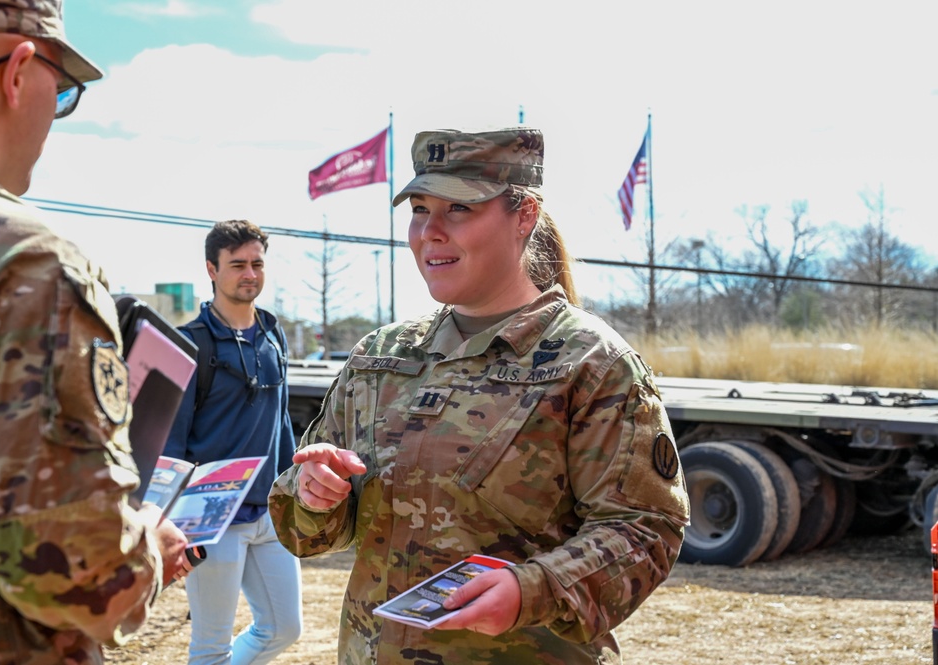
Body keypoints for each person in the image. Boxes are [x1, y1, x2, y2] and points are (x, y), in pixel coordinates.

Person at [269, 127, 691, 664]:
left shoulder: (590, 362)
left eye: (459, 210)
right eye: (420, 209)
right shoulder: (381, 357)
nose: (430, 232)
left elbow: (646, 529)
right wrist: (311, 493)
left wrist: (531, 590)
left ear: (524, 216)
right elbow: (308, 531)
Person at [0, 1, 192, 663]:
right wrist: (151, 548)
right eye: (65, 87)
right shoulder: (22, 259)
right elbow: (77, 574)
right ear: (18, 71)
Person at [164, 219, 302, 664]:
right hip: (211, 518)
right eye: (238, 264)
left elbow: (280, 421)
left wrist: (291, 494)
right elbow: (172, 440)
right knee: (210, 647)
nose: (250, 274)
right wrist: (173, 523)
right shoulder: (190, 343)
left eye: (257, 264)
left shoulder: (272, 334)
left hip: (270, 514)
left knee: (283, 628)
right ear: (212, 269)